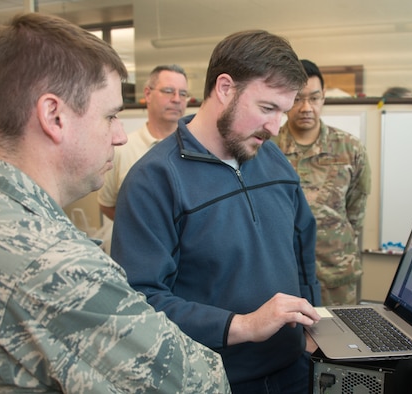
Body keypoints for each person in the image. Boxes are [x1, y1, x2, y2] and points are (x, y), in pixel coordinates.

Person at [0, 13, 229, 393]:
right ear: (54, 116)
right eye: (111, 115)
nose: (119, 136)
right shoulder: (52, 263)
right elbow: (199, 383)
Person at [112, 30, 322, 393]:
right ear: (225, 88)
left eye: (282, 112)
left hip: (294, 370)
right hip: (211, 379)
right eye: (267, 108)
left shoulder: (271, 158)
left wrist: (313, 326)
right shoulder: (155, 179)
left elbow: (302, 246)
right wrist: (241, 325)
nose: (275, 127)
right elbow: (140, 301)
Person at [272, 60, 371, 306]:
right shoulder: (266, 148)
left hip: (336, 275)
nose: (306, 107)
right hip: (282, 276)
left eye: (314, 98)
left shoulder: (350, 148)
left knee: (342, 341)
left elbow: (355, 211)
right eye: (297, 98)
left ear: (323, 98)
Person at [98, 64, 189, 221]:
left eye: (183, 94)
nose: (176, 99)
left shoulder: (196, 150)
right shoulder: (121, 149)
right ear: (147, 94)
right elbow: (106, 204)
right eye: (168, 91)